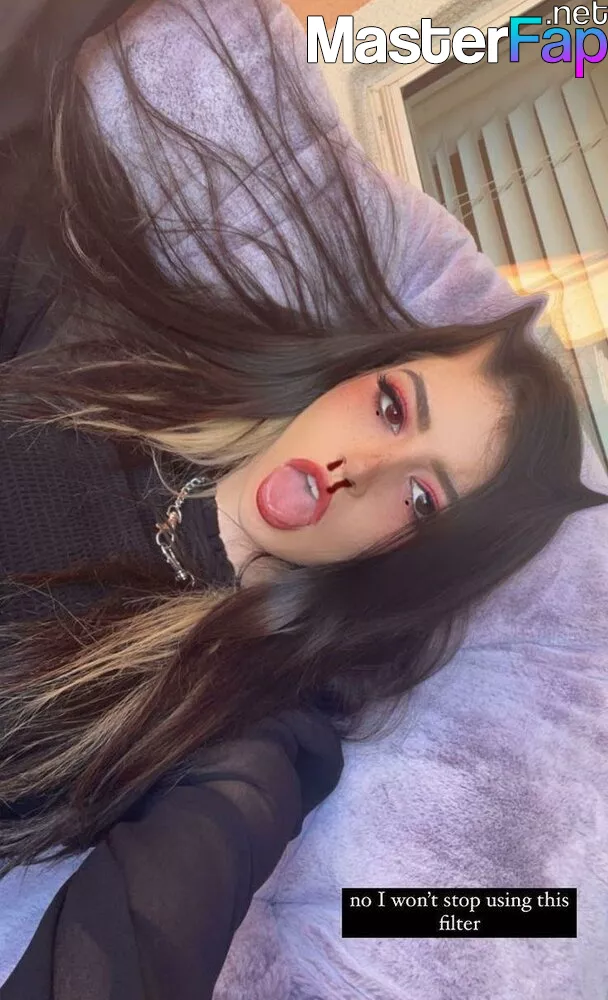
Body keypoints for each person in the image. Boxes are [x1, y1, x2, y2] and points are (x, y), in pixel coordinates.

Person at [0, 0, 606, 996]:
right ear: (348, 371)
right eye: (389, 406)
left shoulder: (255, 722)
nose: (361, 468)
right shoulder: (117, 362)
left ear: (414, 555)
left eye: (421, 497)